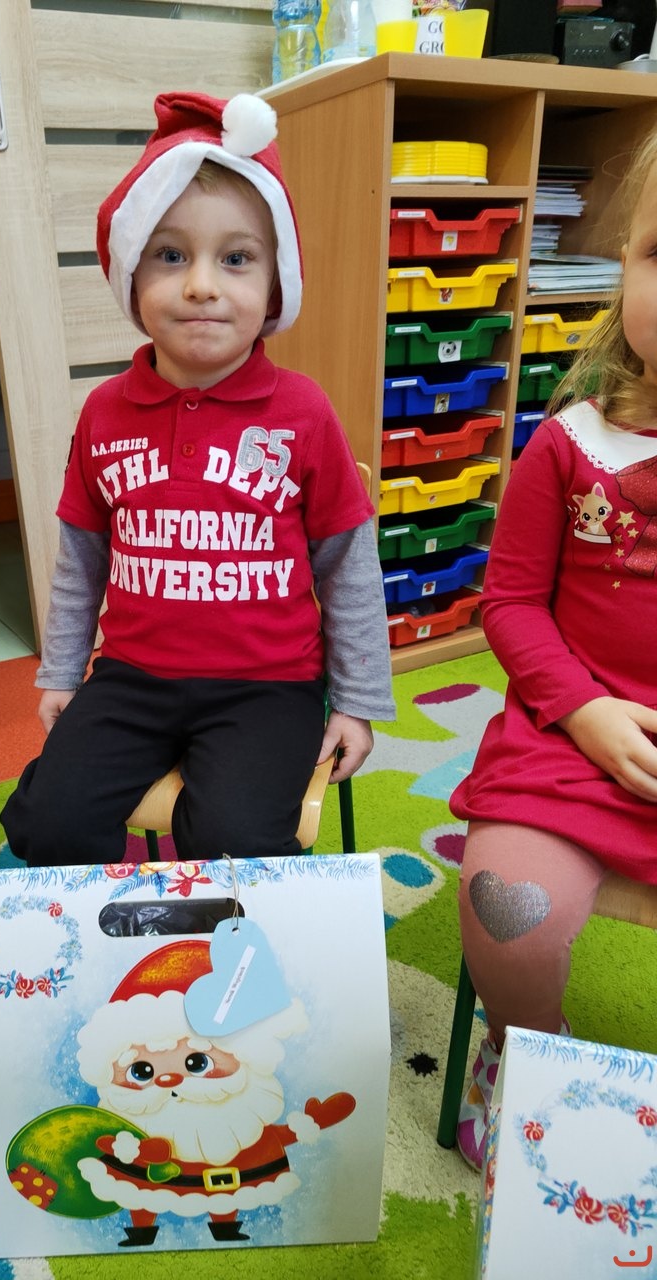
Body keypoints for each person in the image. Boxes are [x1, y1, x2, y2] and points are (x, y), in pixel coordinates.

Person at [0, 91, 394, 867]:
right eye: (171, 256)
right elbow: (82, 558)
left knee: (234, 840)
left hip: (268, 687)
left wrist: (356, 700)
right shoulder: (104, 412)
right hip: (132, 679)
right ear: (129, 272)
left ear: (275, 283)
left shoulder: (304, 412)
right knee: (46, 824)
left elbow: (348, 567)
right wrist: (62, 672)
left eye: (236, 258)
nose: (202, 285)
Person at [449, 129, 657, 1171]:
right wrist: (584, 709)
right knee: (508, 911)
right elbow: (512, 604)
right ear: (625, 266)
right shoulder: (570, 443)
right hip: (565, 742)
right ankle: (527, 1056)